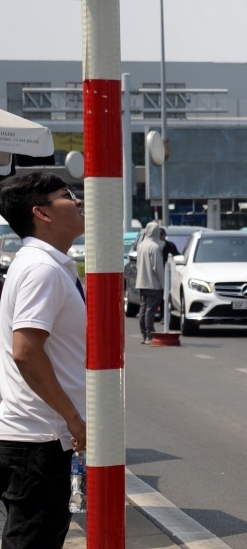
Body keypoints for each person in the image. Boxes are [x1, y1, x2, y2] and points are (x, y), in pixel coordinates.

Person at [0, 172, 87, 549]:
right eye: (67, 195)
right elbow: (26, 351)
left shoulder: (47, 265)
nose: (79, 201)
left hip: (38, 437)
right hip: (40, 439)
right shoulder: (43, 269)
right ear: (42, 213)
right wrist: (73, 418)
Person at [135, 225, 166, 344]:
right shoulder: (155, 247)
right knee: (150, 311)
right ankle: (150, 335)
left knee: (143, 309)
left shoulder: (141, 245)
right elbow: (158, 268)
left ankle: (144, 334)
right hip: (153, 284)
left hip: (142, 282)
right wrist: (164, 285)